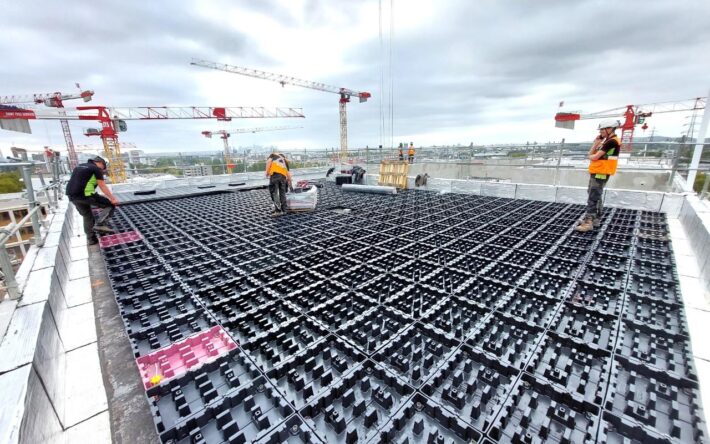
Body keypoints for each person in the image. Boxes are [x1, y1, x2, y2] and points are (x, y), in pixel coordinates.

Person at [576, 119, 621, 232]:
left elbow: (593, 157)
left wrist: (591, 156)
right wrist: (596, 143)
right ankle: (595, 219)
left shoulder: (612, 142)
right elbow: (591, 154)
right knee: (594, 194)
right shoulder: (606, 141)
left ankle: (588, 222)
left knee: (593, 196)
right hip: (598, 171)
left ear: (610, 129)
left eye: (602, 129)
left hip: (601, 172)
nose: (600, 132)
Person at [65, 156, 120, 245]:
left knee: (87, 216)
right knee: (110, 205)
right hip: (86, 194)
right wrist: (113, 199)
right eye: (104, 167)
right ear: (101, 163)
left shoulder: (79, 167)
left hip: (72, 196)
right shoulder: (96, 169)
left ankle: (91, 239)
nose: (103, 169)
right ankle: (100, 224)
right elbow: (102, 185)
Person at [265, 151, 293, 216]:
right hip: (283, 177)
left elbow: (268, 162)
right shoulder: (283, 161)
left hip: (275, 175)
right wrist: (290, 185)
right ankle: (284, 210)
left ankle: (278, 211)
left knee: (274, 192)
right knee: (282, 193)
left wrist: (266, 173)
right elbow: (288, 174)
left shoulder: (272, 156)